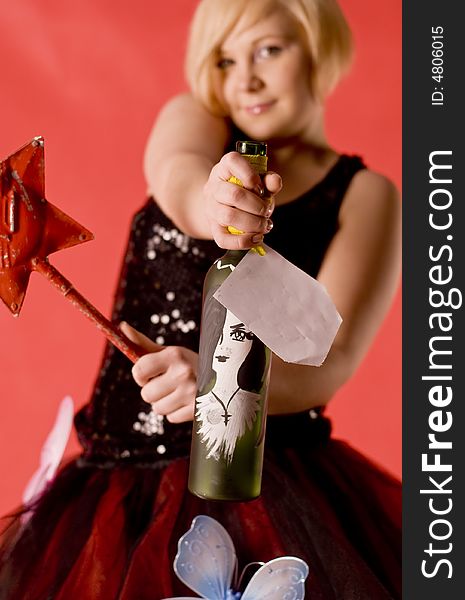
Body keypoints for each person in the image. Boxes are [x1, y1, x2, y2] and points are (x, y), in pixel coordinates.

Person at [0, 0, 401, 598]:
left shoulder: (367, 195)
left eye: (268, 50)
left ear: (320, 50)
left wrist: (220, 388)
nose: (245, 80)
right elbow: (177, 173)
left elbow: (330, 362)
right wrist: (213, 202)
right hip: (115, 484)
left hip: (268, 480)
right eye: (224, 60)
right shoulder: (198, 124)